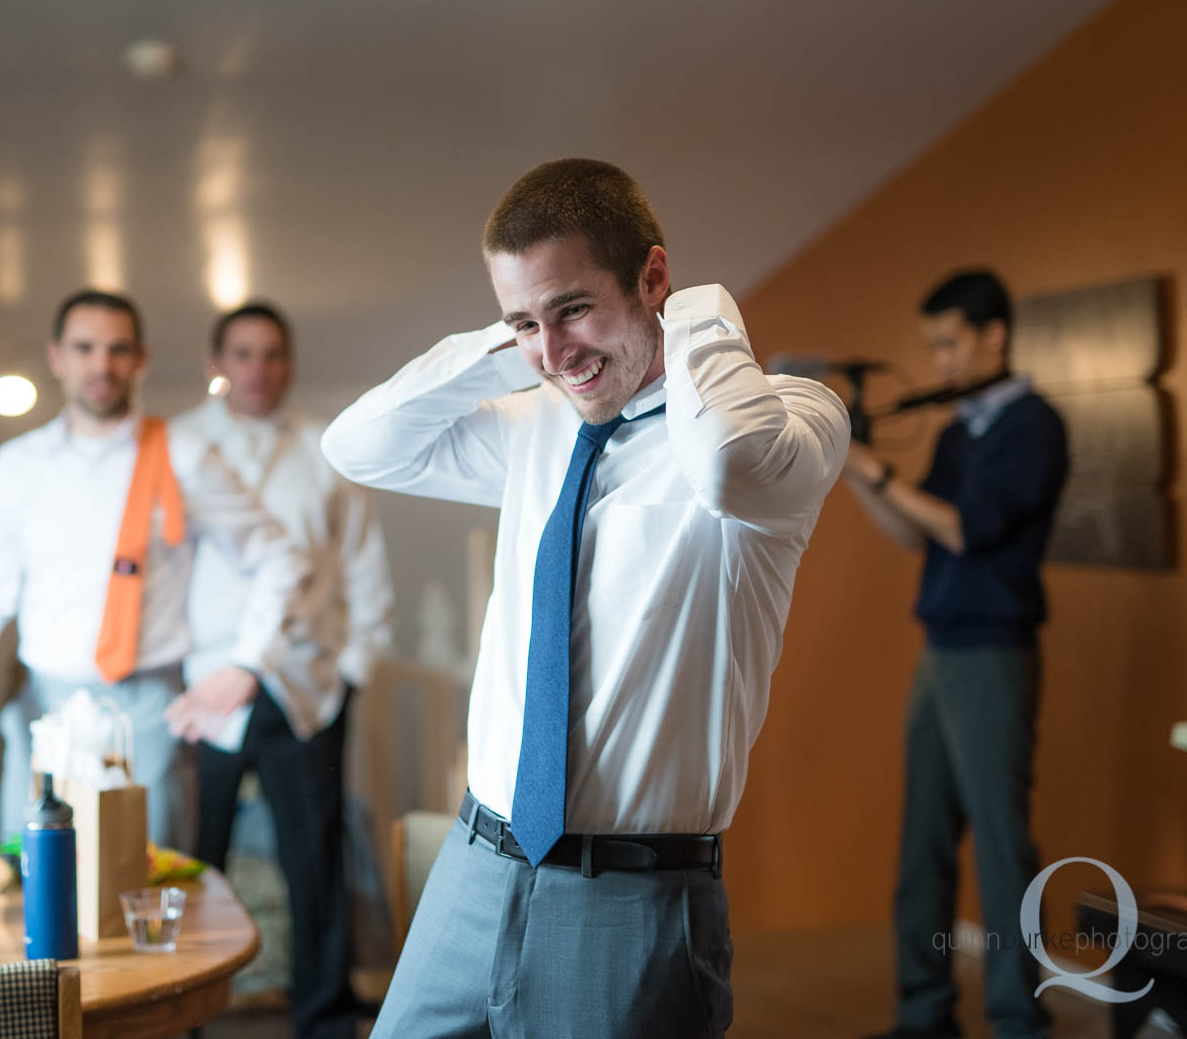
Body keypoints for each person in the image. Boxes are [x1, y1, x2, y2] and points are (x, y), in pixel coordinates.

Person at [322, 158, 849, 1038]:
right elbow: (359, 446)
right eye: (525, 318)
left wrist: (696, 308)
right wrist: (520, 342)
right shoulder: (541, 423)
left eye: (574, 307)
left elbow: (730, 465)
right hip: (475, 864)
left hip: (631, 898)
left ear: (651, 276)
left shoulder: (793, 418)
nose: (556, 350)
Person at [0, 289, 309, 851]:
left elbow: (279, 556)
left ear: (141, 359)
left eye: (117, 349)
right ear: (57, 357)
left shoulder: (184, 454)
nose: (100, 365)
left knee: (148, 890)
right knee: (34, 889)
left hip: (148, 713)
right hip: (42, 709)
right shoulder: (19, 466)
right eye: (84, 348)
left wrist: (247, 664)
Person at [845, 270, 1068, 1039]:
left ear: (993, 335)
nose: (939, 361)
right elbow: (914, 531)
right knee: (923, 843)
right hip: (940, 650)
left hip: (994, 654)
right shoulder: (957, 430)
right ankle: (925, 1013)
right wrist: (850, 464)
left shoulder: (1034, 425)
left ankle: (1016, 1019)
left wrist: (876, 469)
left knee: (1002, 844)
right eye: (932, 345)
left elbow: (966, 528)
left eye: (949, 342)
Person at [171, 302, 393, 1039]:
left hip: (309, 682)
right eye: (242, 354)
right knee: (193, 854)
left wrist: (354, 667)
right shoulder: (179, 445)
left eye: (271, 355)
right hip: (207, 679)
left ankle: (323, 1013)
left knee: (315, 852)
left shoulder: (325, 450)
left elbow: (364, 565)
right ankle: (183, 1012)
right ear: (216, 363)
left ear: (288, 364)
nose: (257, 369)